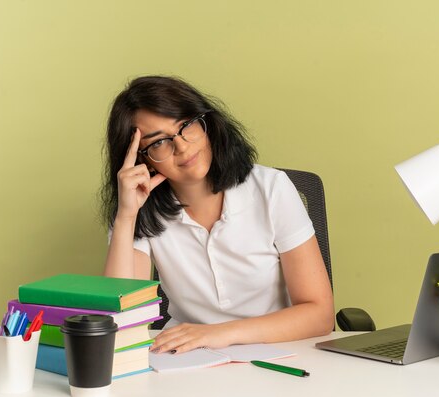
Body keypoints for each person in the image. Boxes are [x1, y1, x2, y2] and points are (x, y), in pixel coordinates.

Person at [101, 76, 334, 354]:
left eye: (186, 126)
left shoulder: (271, 188)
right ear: (141, 158)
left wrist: (219, 334)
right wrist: (126, 216)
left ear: (206, 122)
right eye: (160, 142)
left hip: (275, 350)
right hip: (185, 358)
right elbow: (123, 321)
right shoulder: (139, 208)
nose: (182, 147)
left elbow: (320, 314)